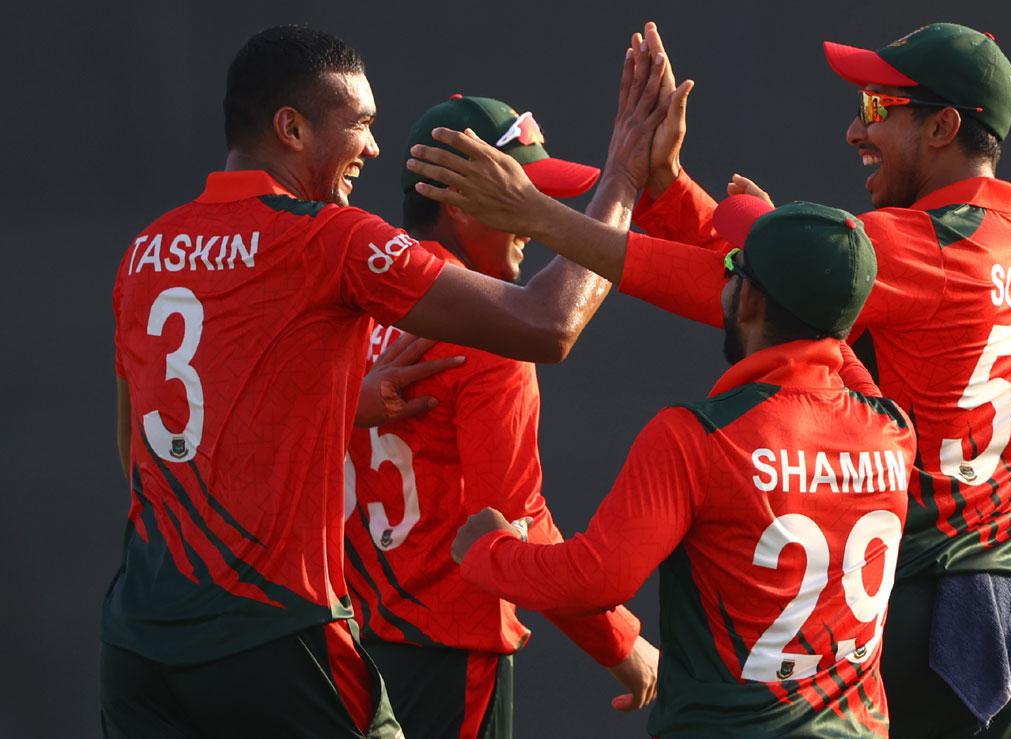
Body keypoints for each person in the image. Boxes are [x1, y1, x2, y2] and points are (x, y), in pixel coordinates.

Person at [410, 20, 1011, 739]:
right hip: (1000, 608)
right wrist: (675, 193)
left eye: (879, 108)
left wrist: (543, 215)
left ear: (944, 125)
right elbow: (794, 275)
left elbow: (746, 283)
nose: (854, 130)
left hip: (907, 609)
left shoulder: (917, 249)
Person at [102, 24, 667, 737]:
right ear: (292, 128)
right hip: (288, 633)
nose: (372, 145)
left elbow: (148, 446)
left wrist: (340, 409)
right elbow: (549, 326)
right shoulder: (332, 240)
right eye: (360, 123)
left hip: (141, 639)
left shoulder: (146, 252)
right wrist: (622, 179)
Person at [450, 198, 917, 737]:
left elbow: (595, 579)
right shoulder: (893, 429)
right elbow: (832, 344)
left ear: (749, 299)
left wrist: (489, 553)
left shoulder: (696, 438)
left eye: (731, 271)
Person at [343, 94, 657, 739]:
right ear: (460, 201)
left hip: (326, 648)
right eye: (522, 197)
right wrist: (623, 646)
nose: (537, 220)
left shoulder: (340, 294)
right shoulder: (486, 334)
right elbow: (510, 524)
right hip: (440, 652)